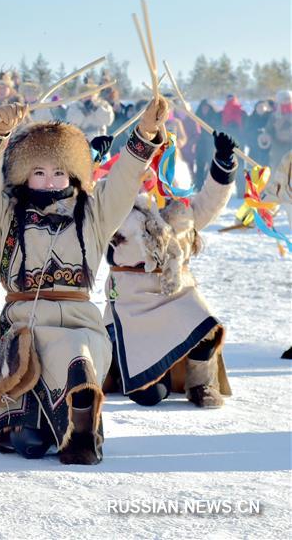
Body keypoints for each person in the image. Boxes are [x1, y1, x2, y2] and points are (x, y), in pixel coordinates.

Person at [0, 95, 168, 465]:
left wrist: (145, 132)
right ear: (24, 174)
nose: (49, 181)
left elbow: (124, 180)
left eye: (59, 172)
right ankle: (35, 421)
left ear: (73, 174)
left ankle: (82, 424)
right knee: (29, 443)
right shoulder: (5, 215)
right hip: (24, 326)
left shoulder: (93, 214)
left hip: (79, 323)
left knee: (77, 350)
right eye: (39, 172)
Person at [104, 131, 237, 408]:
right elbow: (87, 200)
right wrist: (93, 157)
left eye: (162, 162)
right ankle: (121, 369)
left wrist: (223, 164)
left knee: (205, 323)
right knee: (151, 395)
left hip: (177, 294)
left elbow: (211, 200)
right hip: (135, 302)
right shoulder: (117, 207)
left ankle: (200, 384)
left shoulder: (183, 209)